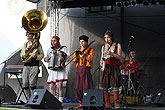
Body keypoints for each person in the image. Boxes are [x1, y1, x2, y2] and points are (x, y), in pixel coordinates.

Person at [100, 30, 122, 109]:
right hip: (106, 67)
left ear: (111, 37)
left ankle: (116, 103)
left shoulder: (117, 45)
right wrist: (101, 64)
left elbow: (119, 57)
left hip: (114, 66)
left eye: (108, 37)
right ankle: (107, 103)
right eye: (105, 38)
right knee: (105, 86)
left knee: (115, 85)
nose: (107, 39)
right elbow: (101, 58)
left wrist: (111, 53)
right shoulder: (103, 46)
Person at [44, 36, 68, 103]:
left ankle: (60, 102)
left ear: (58, 41)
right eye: (52, 41)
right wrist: (46, 59)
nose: (53, 42)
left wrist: (63, 58)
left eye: (54, 41)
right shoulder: (50, 50)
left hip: (60, 69)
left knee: (60, 85)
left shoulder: (64, 49)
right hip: (52, 70)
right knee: (52, 86)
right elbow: (47, 58)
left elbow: (68, 58)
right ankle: (53, 101)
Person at [20, 32, 44, 100]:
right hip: (26, 65)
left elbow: (42, 55)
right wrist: (26, 51)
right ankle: (28, 99)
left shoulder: (38, 44)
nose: (27, 35)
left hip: (34, 65)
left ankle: (34, 100)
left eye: (29, 34)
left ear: (33, 35)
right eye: (27, 34)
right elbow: (22, 55)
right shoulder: (25, 44)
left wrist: (36, 56)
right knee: (24, 84)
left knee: (32, 84)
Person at [73, 35, 94, 109]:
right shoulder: (77, 50)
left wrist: (85, 53)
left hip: (86, 70)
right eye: (80, 42)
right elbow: (74, 60)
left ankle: (87, 102)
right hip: (79, 70)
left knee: (86, 86)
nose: (81, 43)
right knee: (77, 87)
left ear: (86, 42)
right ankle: (81, 102)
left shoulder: (90, 50)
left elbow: (90, 59)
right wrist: (77, 55)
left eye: (83, 41)